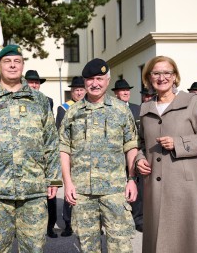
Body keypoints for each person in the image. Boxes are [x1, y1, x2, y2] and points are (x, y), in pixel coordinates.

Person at [0, 45, 61, 252]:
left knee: (34, 247)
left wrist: (54, 180)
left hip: (34, 189)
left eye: (17, 61)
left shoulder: (39, 100)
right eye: (7, 61)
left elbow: (51, 141)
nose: (12, 65)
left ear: (22, 65)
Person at [136, 56, 197, 253]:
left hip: (186, 186)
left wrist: (179, 143)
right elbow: (141, 141)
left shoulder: (191, 101)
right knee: (157, 238)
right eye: (156, 73)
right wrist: (139, 158)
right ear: (149, 77)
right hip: (154, 187)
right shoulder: (145, 108)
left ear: (175, 77)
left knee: (188, 237)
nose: (161, 77)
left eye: (167, 73)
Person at [59, 58, 138, 252]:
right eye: (90, 79)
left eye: (100, 78)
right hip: (82, 192)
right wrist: (67, 183)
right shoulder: (72, 112)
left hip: (115, 190)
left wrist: (132, 179)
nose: (95, 83)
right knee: (88, 246)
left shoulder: (121, 110)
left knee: (120, 245)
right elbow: (63, 149)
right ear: (84, 82)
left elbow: (131, 146)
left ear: (108, 80)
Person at [24, 69, 58, 238]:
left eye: (37, 82)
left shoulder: (47, 101)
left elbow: (50, 130)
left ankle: (50, 226)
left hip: (45, 154)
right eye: (31, 82)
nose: (35, 85)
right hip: (28, 157)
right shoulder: (20, 100)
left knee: (50, 193)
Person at [55, 76, 86, 237]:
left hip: (88, 157)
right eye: (76, 90)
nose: (79, 92)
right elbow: (60, 134)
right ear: (71, 92)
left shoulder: (91, 106)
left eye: (81, 89)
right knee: (70, 188)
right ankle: (68, 223)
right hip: (72, 157)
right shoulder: (64, 108)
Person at [112, 78, 143, 232]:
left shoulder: (138, 108)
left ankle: (138, 218)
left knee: (137, 185)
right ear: (116, 93)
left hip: (135, 153)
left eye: (127, 90)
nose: (126, 93)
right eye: (122, 90)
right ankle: (120, 218)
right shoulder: (112, 109)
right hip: (117, 157)